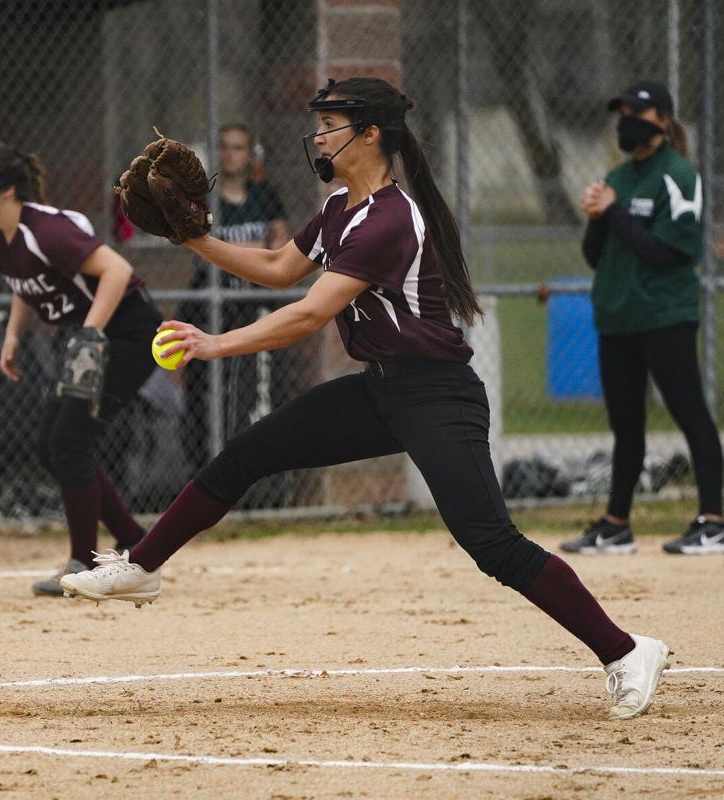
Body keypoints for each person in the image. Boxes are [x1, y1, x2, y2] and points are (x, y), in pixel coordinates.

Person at [61, 77, 670, 720]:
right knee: (244, 455)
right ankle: (143, 564)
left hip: (437, 396)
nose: (319, 136)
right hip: (382, 388)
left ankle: (627, 650)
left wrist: (215, 344)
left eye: (330, 124)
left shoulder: (387, 219)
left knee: (492, 544)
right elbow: (276, 267)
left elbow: (309, 312)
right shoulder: (338, 210)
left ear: (371, 133)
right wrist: (192, 241)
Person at [0, 141, 162, 596]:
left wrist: (89, 336)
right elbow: (24, 284)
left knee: (69, 443)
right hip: (92, 337)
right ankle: (136, 542)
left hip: (127, 334)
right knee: (55, 447)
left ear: (7, 189)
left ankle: (84, 560)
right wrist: (13, 336)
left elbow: (117, 270)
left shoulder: (45, 229)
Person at [560, 80, 723, 557]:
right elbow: (595, 256)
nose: (626, 121)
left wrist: (616, 213)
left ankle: (713, 519)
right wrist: (597, 215)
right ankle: (616, 525)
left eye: (638, 113)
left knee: (690, 412)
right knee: (626, 425)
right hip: (618, 317)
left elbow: (671, 253)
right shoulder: (618, 177)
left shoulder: (678, 175)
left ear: (663, 121)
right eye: (622, 113)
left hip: (664, 316)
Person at [179, 124, 291, 472]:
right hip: (211, 307)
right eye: (225, 147)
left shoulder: (265, 195)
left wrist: (225, 248)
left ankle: (253, 476)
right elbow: (200, 252)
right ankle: (204, 468)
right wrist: (257, 249)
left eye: (239, 148)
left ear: (249, 155)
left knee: (250, 394)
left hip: (252, 304)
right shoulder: (206, 199)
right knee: (205, 394)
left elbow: (282, 249)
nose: (231, 155)